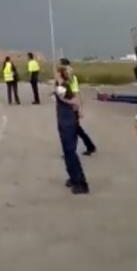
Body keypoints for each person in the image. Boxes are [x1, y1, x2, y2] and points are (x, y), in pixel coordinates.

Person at [53, 63, 90, 194]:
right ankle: (73, 178)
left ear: (60, 74)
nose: (54, 74)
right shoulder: (60, 86)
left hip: (68, 122)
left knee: (70, 152)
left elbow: (76, 102)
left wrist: (64, 99)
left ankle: (81, 183)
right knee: (67, 152)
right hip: (64, 121)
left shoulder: (64, 87)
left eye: (56, 72)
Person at [62, 59, 96, 155]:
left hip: (72, 106)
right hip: (68, 106)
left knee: (72, 129)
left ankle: (72, 151)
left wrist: (79, 108)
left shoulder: (71, 78)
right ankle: (90, 146)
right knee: (76, 129)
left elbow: (76, 93)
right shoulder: (66, 78)